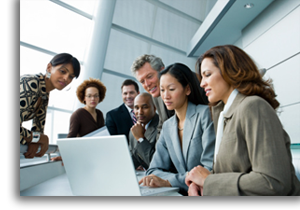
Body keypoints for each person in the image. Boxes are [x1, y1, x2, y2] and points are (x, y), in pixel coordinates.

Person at [185, 44, 300, 196]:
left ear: (230, 72)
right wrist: (199, 183)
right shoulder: (224, 115)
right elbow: (232, 171)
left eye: (207, 75)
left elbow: (273, 182)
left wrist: (208, 181)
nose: (202, 83)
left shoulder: (253, 106)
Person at [139, 63, 215, 195]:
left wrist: (169, 181)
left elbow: (208, 168)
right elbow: (153, 170)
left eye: (171, 89)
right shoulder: (168, 126)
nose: (165, 96)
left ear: (187, 90)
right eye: (162, 90)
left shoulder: (205, 115)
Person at [131, 54, 208, 140]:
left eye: (149, 77)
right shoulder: (156, 96)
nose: (147, 84)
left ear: (162, 71)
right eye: (142, 81)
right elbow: (162, 126)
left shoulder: (191, 81)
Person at [20, 53, 81, 158]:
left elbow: (38, 129)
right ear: (49, 67)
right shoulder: (30, 83)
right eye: (62, 71)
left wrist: (36, 140)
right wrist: (40, 138)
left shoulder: (44, 93)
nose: (66, 78)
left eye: (71, 76)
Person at [129, 92, 159, 170]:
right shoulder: (134, 129)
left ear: (154, 108)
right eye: (136, 108)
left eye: (145, 107)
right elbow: (132, 158)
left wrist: (140, 138)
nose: (140, 112)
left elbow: (156, 162)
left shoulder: (162, 127)